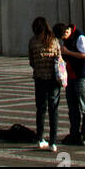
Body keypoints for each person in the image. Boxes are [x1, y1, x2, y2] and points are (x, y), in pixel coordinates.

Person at [28, 16, 62, 151]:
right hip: (53, 80)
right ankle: (53, 142)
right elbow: (59, 59)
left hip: (39, 79)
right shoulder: (54, 41)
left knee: (41, 109)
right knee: (53, 110)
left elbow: (31, 62)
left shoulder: (33, 41)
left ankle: (40, 138)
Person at [59, 23, 85, 145]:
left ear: (68, 30)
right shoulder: (66, 39)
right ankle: (74, 133)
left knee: (84, 106)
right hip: (69, 77)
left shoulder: (80, 37)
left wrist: (68, 52)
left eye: (64, 35)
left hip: (79, 76)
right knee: (72, 107)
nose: (63, 38)